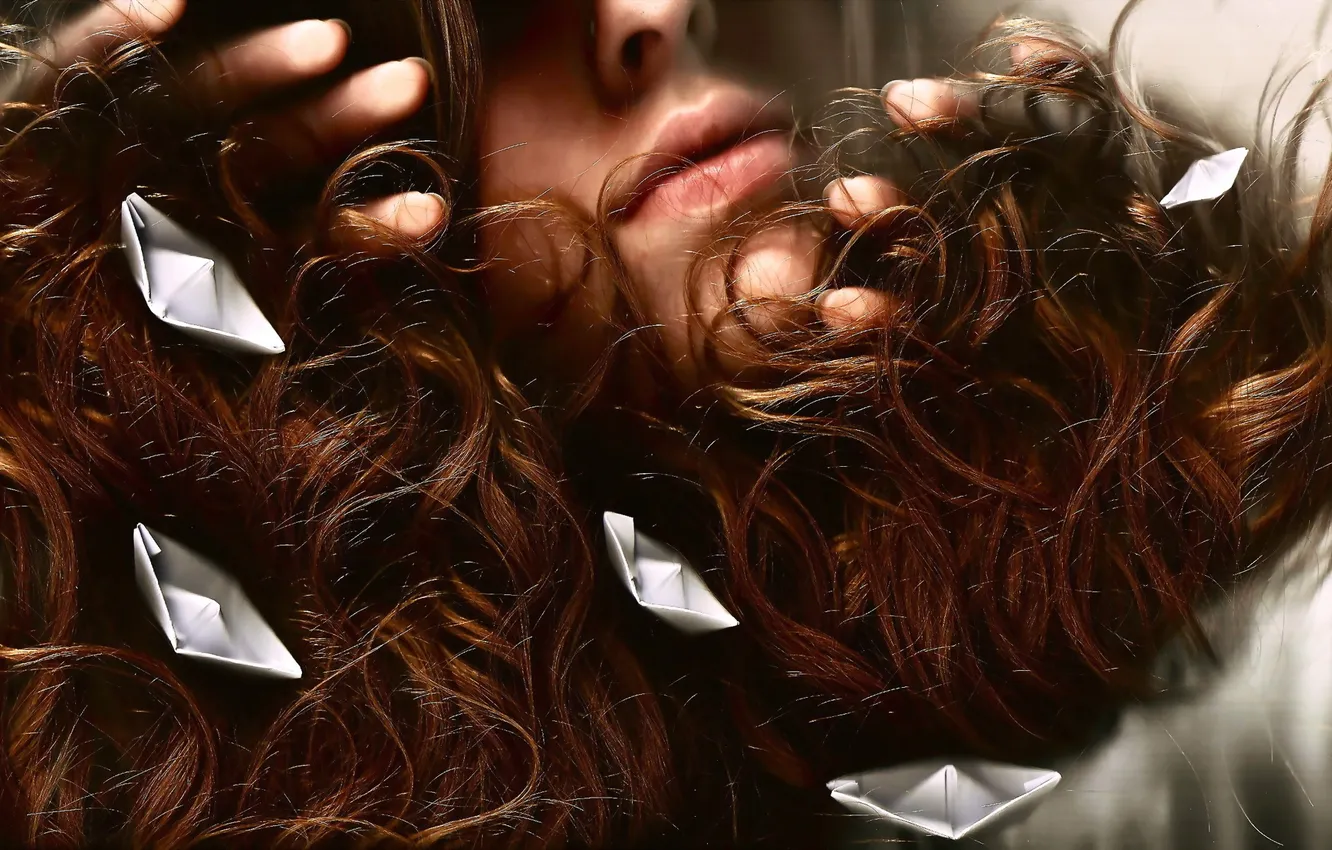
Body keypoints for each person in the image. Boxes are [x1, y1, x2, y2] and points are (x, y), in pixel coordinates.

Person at [3, 1, 1332, 847]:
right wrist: (49, 318)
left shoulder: (1148, 445)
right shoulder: (217, 728)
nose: (655, 10)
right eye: (508, 13)